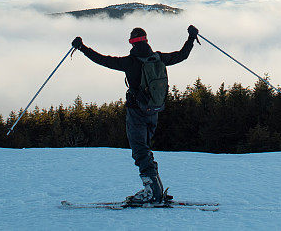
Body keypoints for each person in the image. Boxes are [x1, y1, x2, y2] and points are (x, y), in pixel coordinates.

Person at [71, 25, 199, 203]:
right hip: (154, 110)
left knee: (140, 150)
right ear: (146, 40)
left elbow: (102, 60)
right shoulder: (158, 58)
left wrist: (82, 48)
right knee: (145, 150)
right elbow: (182, 55)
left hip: (136, 112)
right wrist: (192, 37)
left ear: (131, 42)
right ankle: (156, 190)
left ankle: (152, 193)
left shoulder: (129, 62)